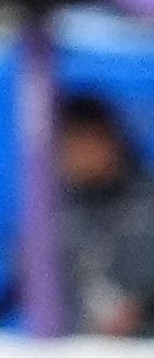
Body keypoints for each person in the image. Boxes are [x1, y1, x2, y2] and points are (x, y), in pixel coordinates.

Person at [60, 90, 154, 335]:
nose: (73, 156)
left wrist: (143, 307)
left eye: (81, 141)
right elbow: (22, 283)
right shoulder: (55, 210)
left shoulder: (147, 200)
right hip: (76, 350)